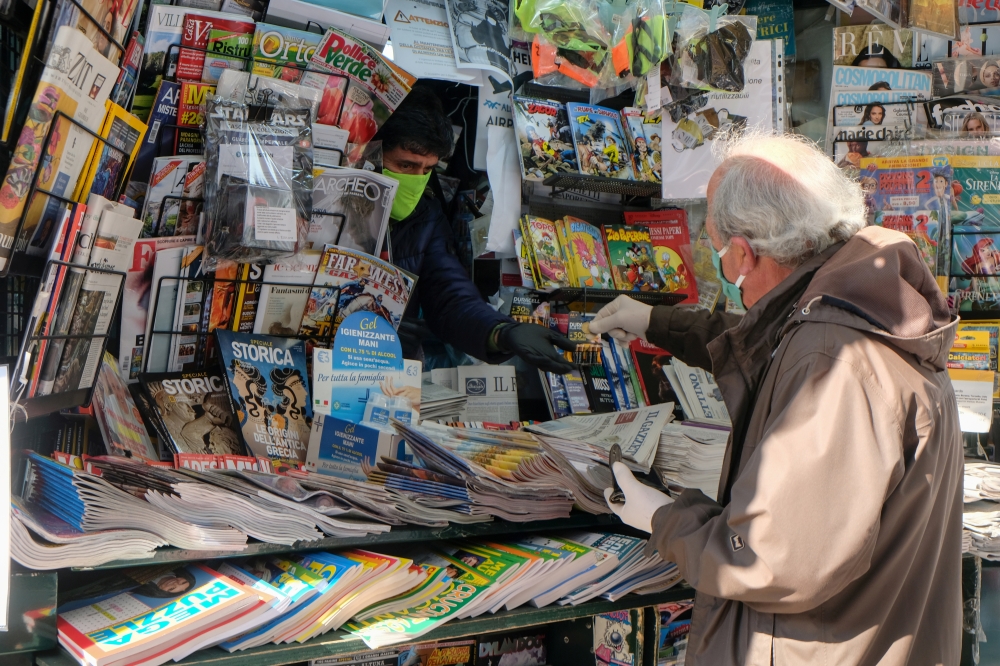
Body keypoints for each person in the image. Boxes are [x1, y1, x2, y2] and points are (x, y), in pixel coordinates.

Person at [589, 133, 961, 665]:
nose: (720, 263)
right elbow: (763, 336)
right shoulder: (857, 304)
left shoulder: (836, 361)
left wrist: (665, 518)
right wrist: (656, 321)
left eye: (717, 247)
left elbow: (768, 557)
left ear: (743, 252)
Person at [372, 88, 575, 373]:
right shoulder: (330, 199)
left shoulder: (426, 218)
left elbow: (450, 295)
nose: (417, 181)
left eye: (427, 169)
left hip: (385, 370)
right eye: (405, 165)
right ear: (373, 151)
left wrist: (501, 333)